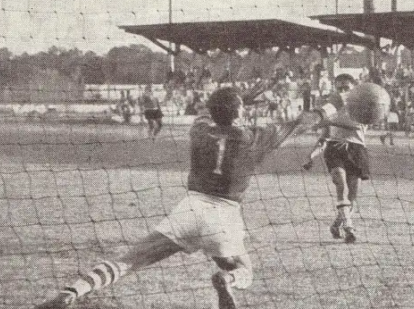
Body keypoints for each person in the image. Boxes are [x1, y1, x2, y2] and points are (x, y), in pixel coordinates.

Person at [34, 85, 339, 309]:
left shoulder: (199, 130)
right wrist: (331, 107)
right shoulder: (256, 137)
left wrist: (235, 100)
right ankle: (226, 280)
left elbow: (208, 112)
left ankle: (71, 292)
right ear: (240, 112)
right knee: (243, 269)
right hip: (224, 216)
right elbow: (302, 122)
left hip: (189, 209)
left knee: (129, 261)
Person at [306, 74, 370, 244]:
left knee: (352, 197)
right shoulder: (330, 110)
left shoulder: (362, 107)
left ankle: (337, 224)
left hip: (356, 150)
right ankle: (349, 228)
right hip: (335, 150)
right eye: (339, 88)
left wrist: (330, 123)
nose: (342, 91)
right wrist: (311, 155)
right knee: (341, 186)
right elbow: (324, 138)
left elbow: (357, 126)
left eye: (346, 88)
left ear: (354, 88)